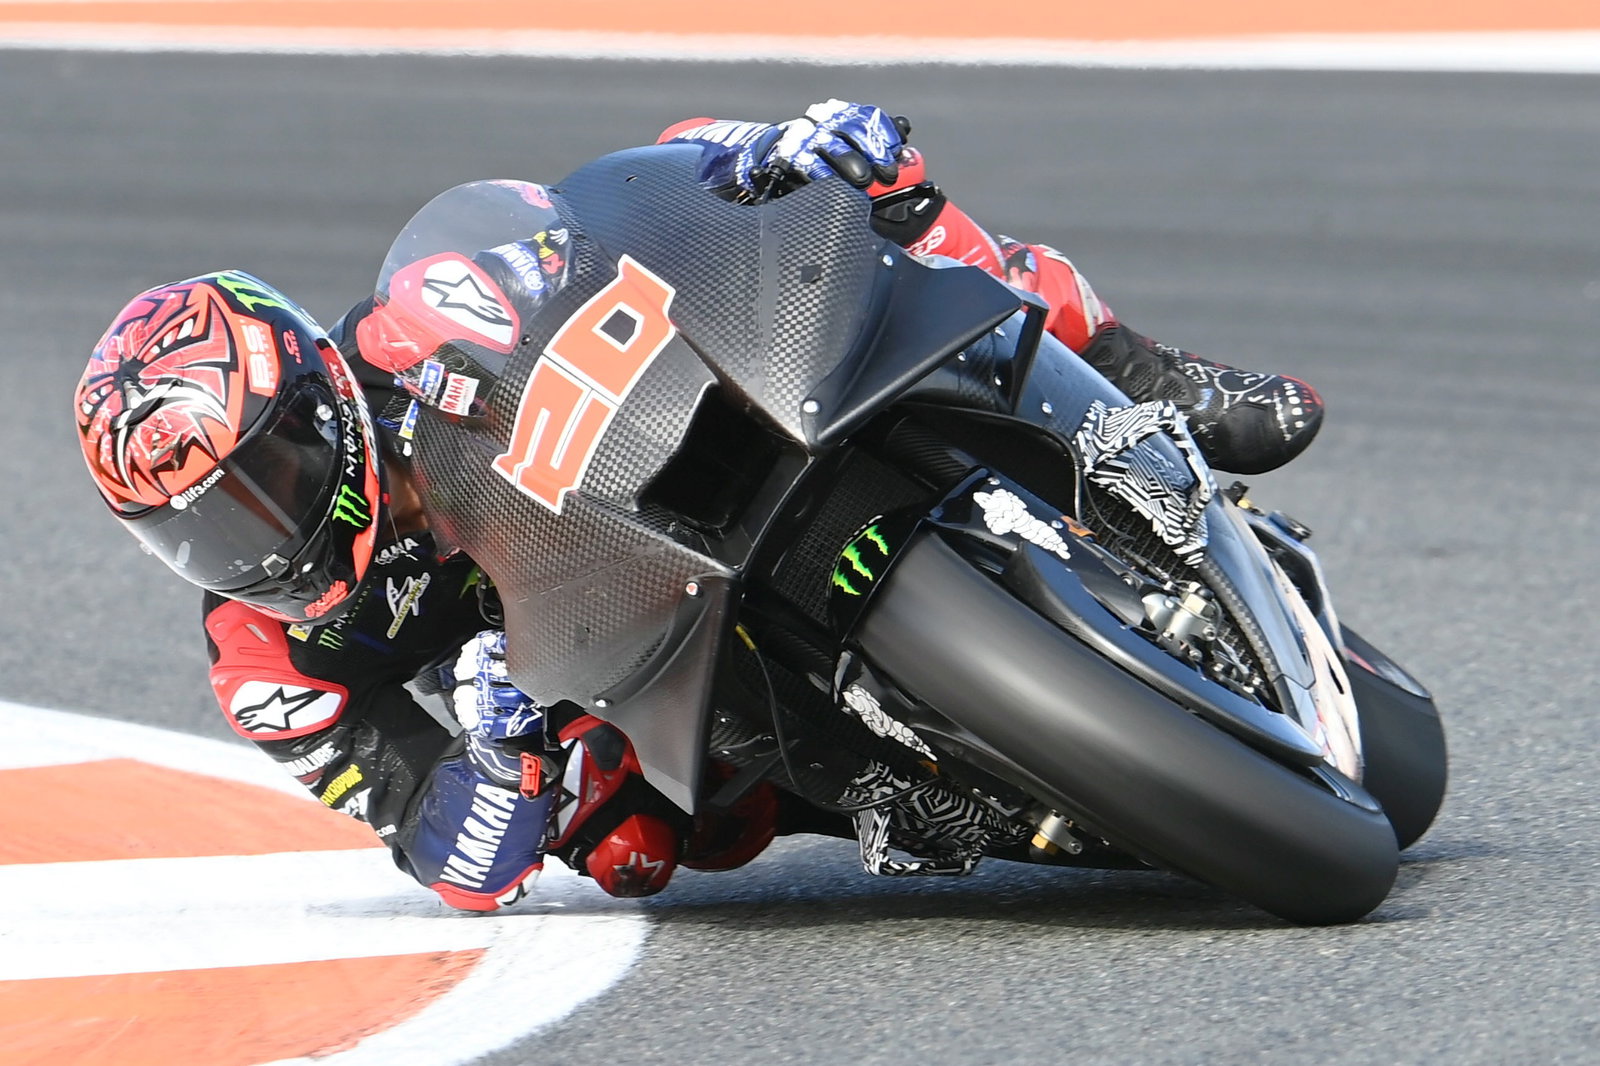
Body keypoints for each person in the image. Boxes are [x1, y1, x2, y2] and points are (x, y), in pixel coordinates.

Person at [72, 100, 1323, 912]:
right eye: (201, 529)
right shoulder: (268, 657)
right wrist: (504, 756)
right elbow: (447, 852)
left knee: (874, 198)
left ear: (312, 404)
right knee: (636, 850)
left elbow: (624, 207)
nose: (254, 535)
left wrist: (759, 156)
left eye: (261, 482)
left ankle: (1143, 379)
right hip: (619, 664)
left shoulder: (420, 322)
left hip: (689, 431)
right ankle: (946, 775)